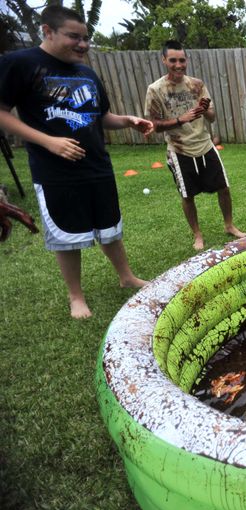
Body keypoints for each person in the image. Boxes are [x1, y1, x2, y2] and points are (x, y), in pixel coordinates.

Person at [0, 5, 153, 319]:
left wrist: (127, 120)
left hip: (97, 165)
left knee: (110, 226)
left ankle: (126, 277)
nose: (83, 44)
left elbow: (101, 117)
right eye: (74, 37)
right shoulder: (21, 64)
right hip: (56, 172)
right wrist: (49, 142)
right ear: (48, 31)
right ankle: (76, 297)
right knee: (66, 236)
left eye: (86, 38)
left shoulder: (86, 72)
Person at [144, 40, 246, 251]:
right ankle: (197, 235)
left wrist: (205, 109)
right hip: (179, 149)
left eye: (182, 60)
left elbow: (212, 116)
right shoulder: (155, 90)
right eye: (173, 60)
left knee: (224, 188)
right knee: (187, 196)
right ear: (164, 60)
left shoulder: (197, 85)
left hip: (205, 144)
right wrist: (182, 119)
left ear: (186, 60)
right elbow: (154, 125)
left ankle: (229, 225)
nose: (178, 65)